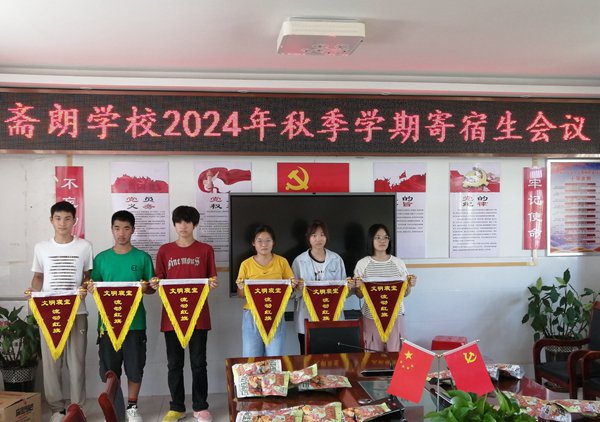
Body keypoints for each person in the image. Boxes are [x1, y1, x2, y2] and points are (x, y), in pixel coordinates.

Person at [151, 206, 218, 422]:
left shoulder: (206, 250)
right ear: (174, 224)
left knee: (199, 363)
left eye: (187, 222)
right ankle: (177, 407)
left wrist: (212, 283)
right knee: (174, 364)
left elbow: (212, 278)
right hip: (172, 316)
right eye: (179, 221)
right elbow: (159, 278)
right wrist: (155, 282)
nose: (183, 226)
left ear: (194, 224)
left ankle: (200, 406)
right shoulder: (164, 250)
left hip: (198, 315)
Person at [29, 201, 93, 422]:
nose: (62, 223)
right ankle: (57, 409)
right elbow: (38, 277)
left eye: (67, 219)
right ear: (51, 220)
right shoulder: (41, 247)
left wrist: (84, 288)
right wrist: (33, 296)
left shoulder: (84, 246)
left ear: (75, 220)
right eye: (58, 218)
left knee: (77, 362)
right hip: (49, 312)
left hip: (77, 311)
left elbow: (88, 276)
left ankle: (77, 408)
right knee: (51, 362)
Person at [89, 210, 155, 422]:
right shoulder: (101, 259)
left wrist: (147, 287)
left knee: (135, 367)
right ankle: (115, 409)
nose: (121, 233)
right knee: (110, 370)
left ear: (133, 230)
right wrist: (90, 288)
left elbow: (151, 288)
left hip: (135, 323)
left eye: (126, 228)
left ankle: (132, 407)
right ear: (112, 229)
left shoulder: (142, 258)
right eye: (117, 228)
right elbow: (94, 286)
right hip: (108, 324)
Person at [353, 223, 417, 352]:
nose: (382, 241)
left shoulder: (398, 263)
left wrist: (409, 285)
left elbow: (404, 293)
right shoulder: (363, 264)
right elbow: (359, 294)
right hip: (371, 317)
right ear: (371, 240)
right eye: (378, 237)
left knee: (395, 353)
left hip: (395, 316)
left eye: (385, 237)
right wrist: (358, 287)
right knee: (373, 354)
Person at [236, 224, 295, 357]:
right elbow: (241, 295)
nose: (264, 244)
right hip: (252, 315)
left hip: (275, 314)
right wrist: (241, 287)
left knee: (275, 358)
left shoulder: (282, 262)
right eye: (260, 241)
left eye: (268, 240)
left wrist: (293, 285)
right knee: (252, 359)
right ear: (253, 243)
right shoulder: (246, 264)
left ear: (273, 242)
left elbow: (290, 290)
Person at [291, 220, 347, 354]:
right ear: (308, 238)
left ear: (326, 237)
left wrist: (349, 286)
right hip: (307, 315)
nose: (318, 239)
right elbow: (291, 293)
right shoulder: (299, 261)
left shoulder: (336, 259)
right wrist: (298, 288)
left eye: (322, 235)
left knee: (332, 356)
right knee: (308, 357)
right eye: (314, 235)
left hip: (332, 315)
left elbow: (345, 291)